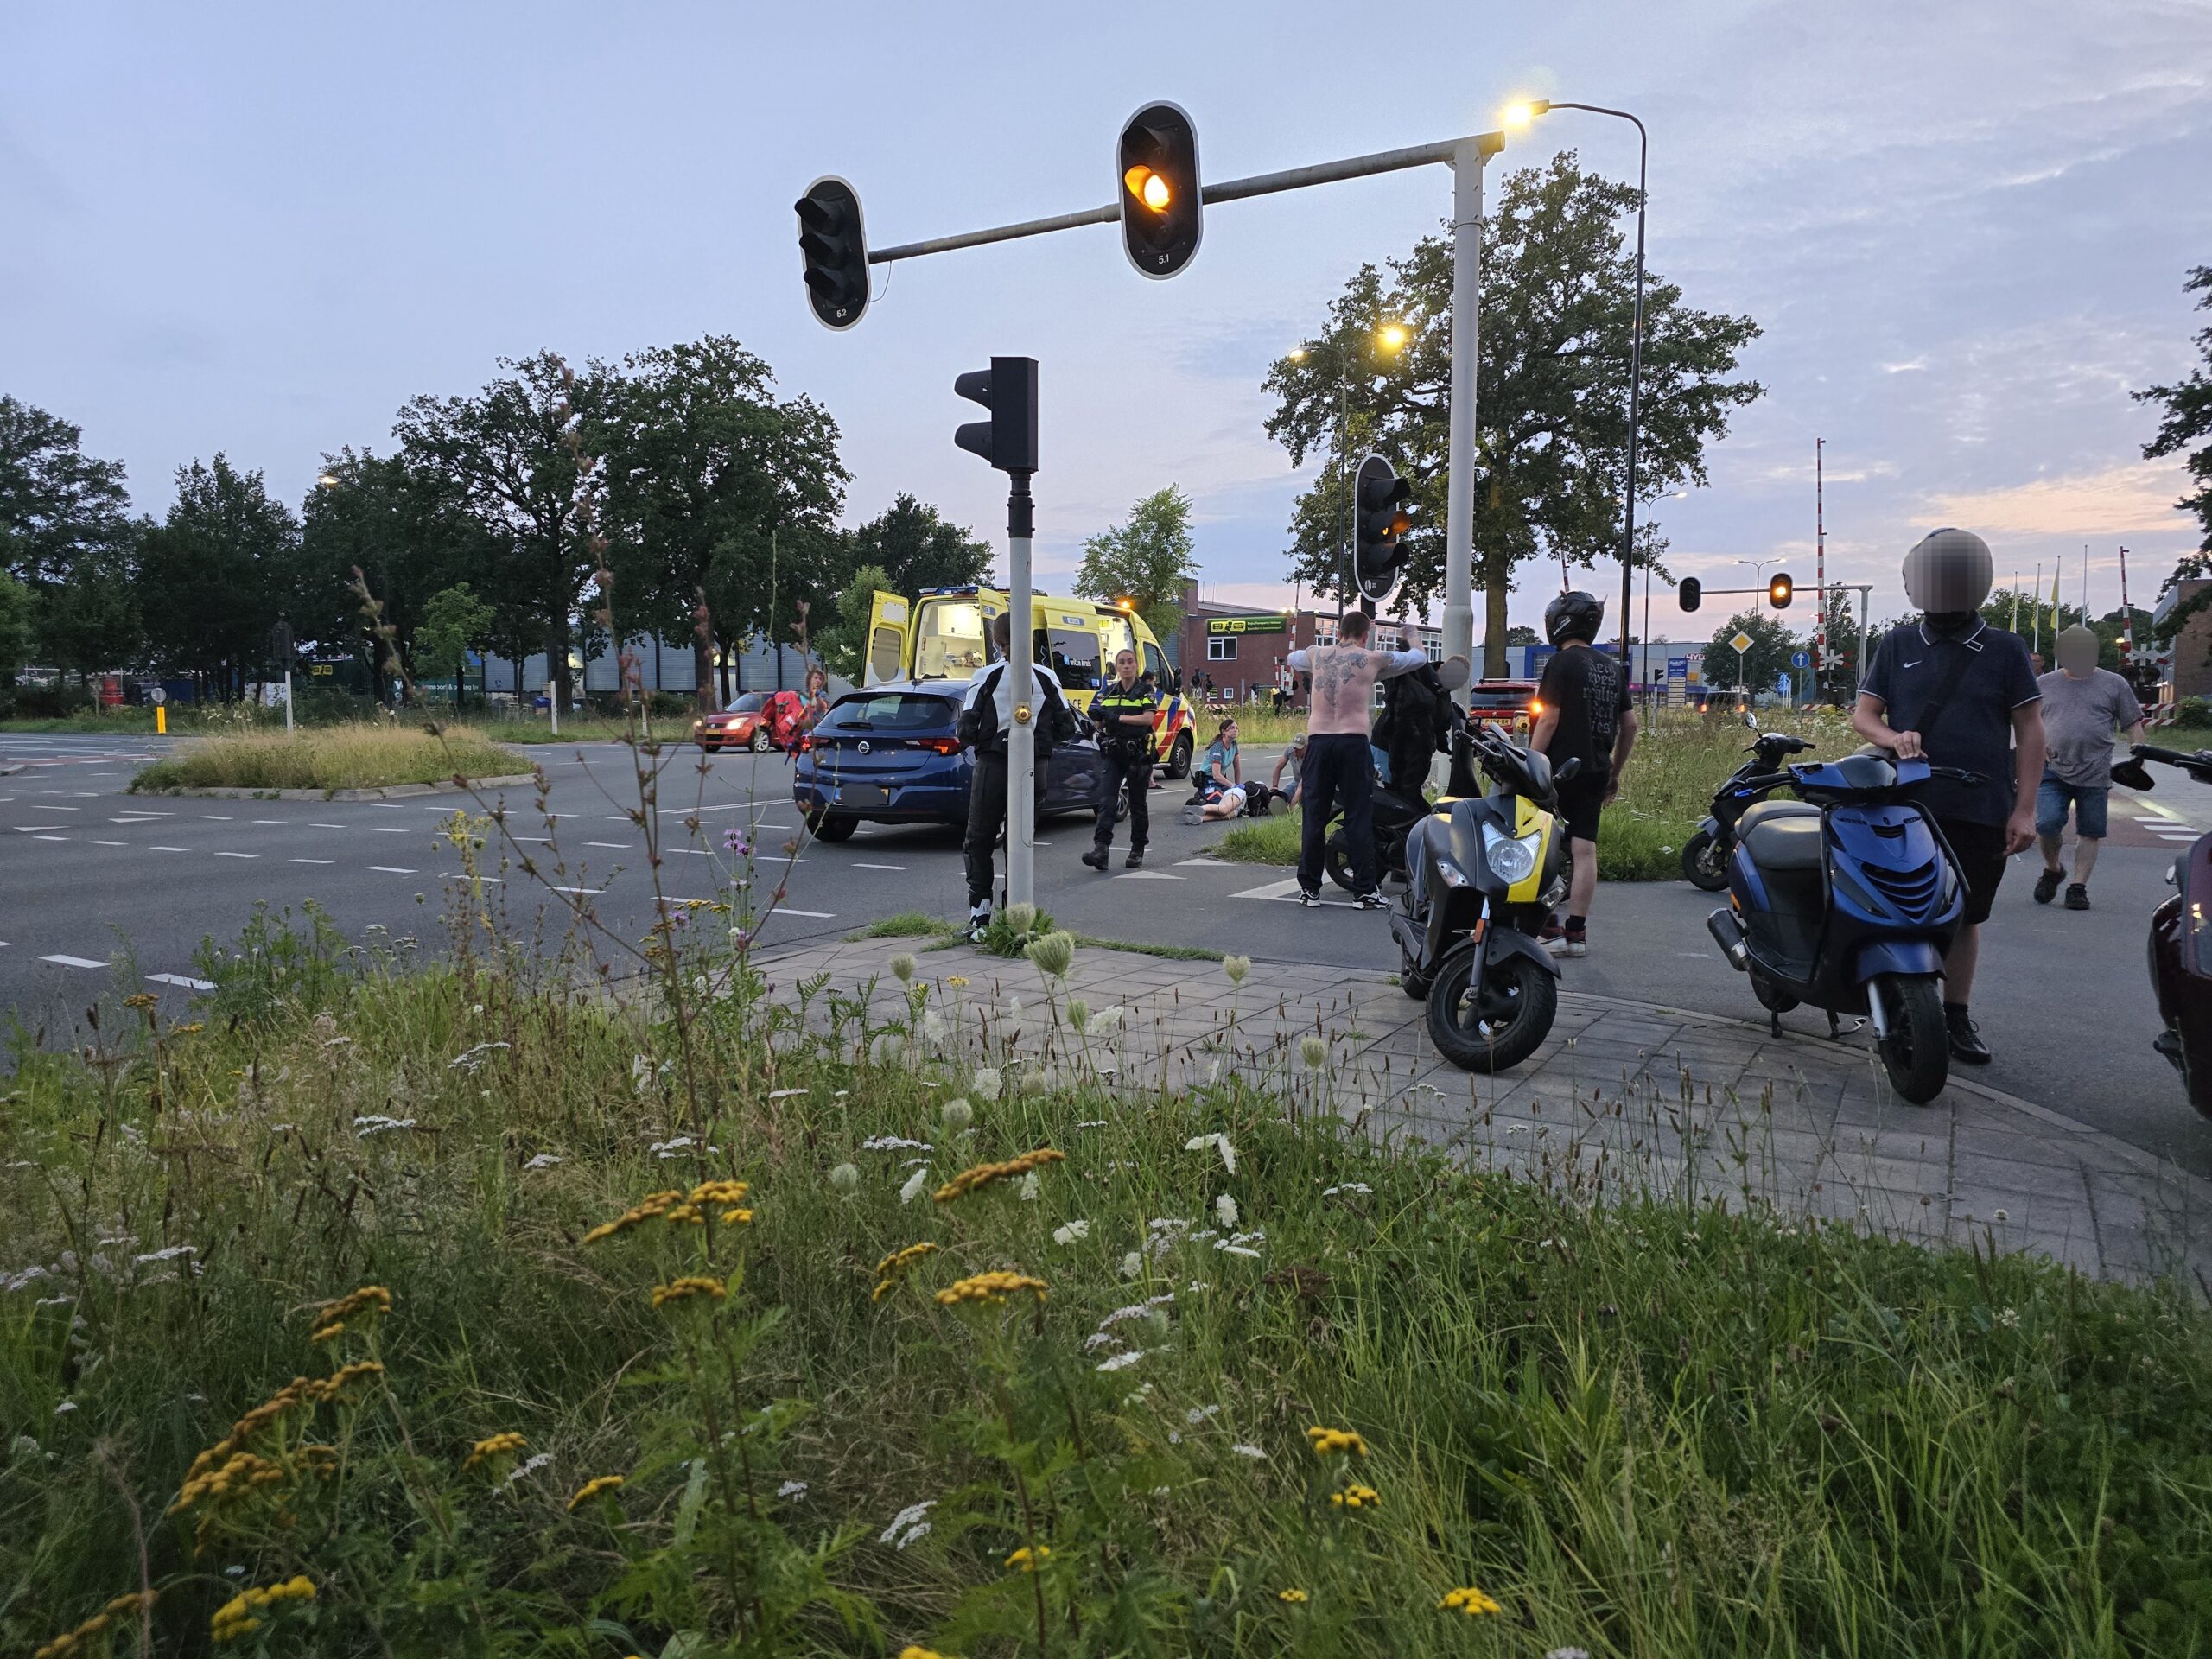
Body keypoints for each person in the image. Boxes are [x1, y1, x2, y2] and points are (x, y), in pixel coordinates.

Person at [1852, 526, 2045, 1065]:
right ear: (1914, 586)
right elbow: (1864, 717)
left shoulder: (2006, 649)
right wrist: (1893, 737)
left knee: (1965, 914)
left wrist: (2025, 808)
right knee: (1898, 904)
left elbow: (2030, 730)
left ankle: (1955, 1016)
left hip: (1982, 806)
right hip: (1906, 804)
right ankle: (1900, 1003)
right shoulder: (1896, 644)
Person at [1284, 611, 1432, 909]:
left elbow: (1292, 658)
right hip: (1352, 742)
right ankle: (1364, 891)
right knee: (1358, 817)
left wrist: (1313, 658)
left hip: (1320, 742)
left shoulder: (1316, 655)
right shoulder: (1373, 658)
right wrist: (1412, 634)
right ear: (1365, 635)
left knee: (1314, 817)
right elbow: (1419, 659)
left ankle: (1309, 889)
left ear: (1339, 631)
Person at [1529, 591, 1637, 958]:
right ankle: (1576, 934)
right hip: (1596, 768)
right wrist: (1615, 772)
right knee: (1584, 848)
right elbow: (1631, 725)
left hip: (1557, 771)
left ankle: (1547, 927)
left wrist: (1529, 762)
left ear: (1558, 622)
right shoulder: (1610, 667)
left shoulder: (1561, 663)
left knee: (1540, 845)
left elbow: (1549, 718)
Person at [959, 612, 1071, 941]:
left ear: (998, 641)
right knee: (1020, 841)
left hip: (993, 763)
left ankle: (980, 917)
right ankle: (1017, 914)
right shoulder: (1047, 676)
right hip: (1034, 766)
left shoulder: (987, 675)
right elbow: (1066, 726)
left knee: (978, 839)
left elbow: (965, 728)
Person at [2033, 623, 2145, 911]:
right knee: (2046, 823)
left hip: (2096, 770)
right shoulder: (2044, 683)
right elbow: (2029, 721)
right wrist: (2034, 744)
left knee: (2091, 831)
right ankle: (2053, 869)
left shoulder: (2114, 683)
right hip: (2052, 768)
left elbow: (2132, 721)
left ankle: (2078, 886)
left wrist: (2138, 753)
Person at [1083, 647, 1159, 872]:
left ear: (1136, 665)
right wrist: (1098, 720)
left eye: (1130, 662)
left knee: (1137, 803)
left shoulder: (1145, 690)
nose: (1126, 666)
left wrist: (1118, 717)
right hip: (1114, 752)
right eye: (1122, 662)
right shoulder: (1108, 692)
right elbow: (1102, 722)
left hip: (1138, 753)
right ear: (1116, 667)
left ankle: (1137, 849)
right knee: (1106, 801)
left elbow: (1148, 718)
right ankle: (1101, 849)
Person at [1270, 731, 1307, 805]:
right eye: (1294, 747)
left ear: (1306, 747)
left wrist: (1293, 802)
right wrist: (1275, 787)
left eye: (1298, 748)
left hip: (1309, 784)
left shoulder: (1311, 757)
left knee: (1303, 802)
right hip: (1296, 781)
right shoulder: (1290, 750)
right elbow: (1278, 767)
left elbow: (1303, 782)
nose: (1295, 751)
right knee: (1279, 800)